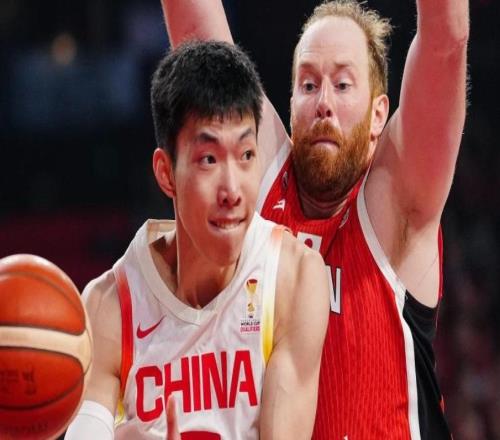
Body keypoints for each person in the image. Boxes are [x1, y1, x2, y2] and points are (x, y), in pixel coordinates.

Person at [161, 0, 469, 438]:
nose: (323, 102)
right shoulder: (261, 182)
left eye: (342, 85)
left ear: (378, 114)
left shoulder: (395, 200)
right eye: (308, 85)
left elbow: (446, 41)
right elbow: (194, 28)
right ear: (290, 103)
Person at [64, 40, 330, 439]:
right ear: (166, 173)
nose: (232, 190)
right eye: (209, 159)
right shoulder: (110, 306)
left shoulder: (293, 277)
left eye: (246, 155)